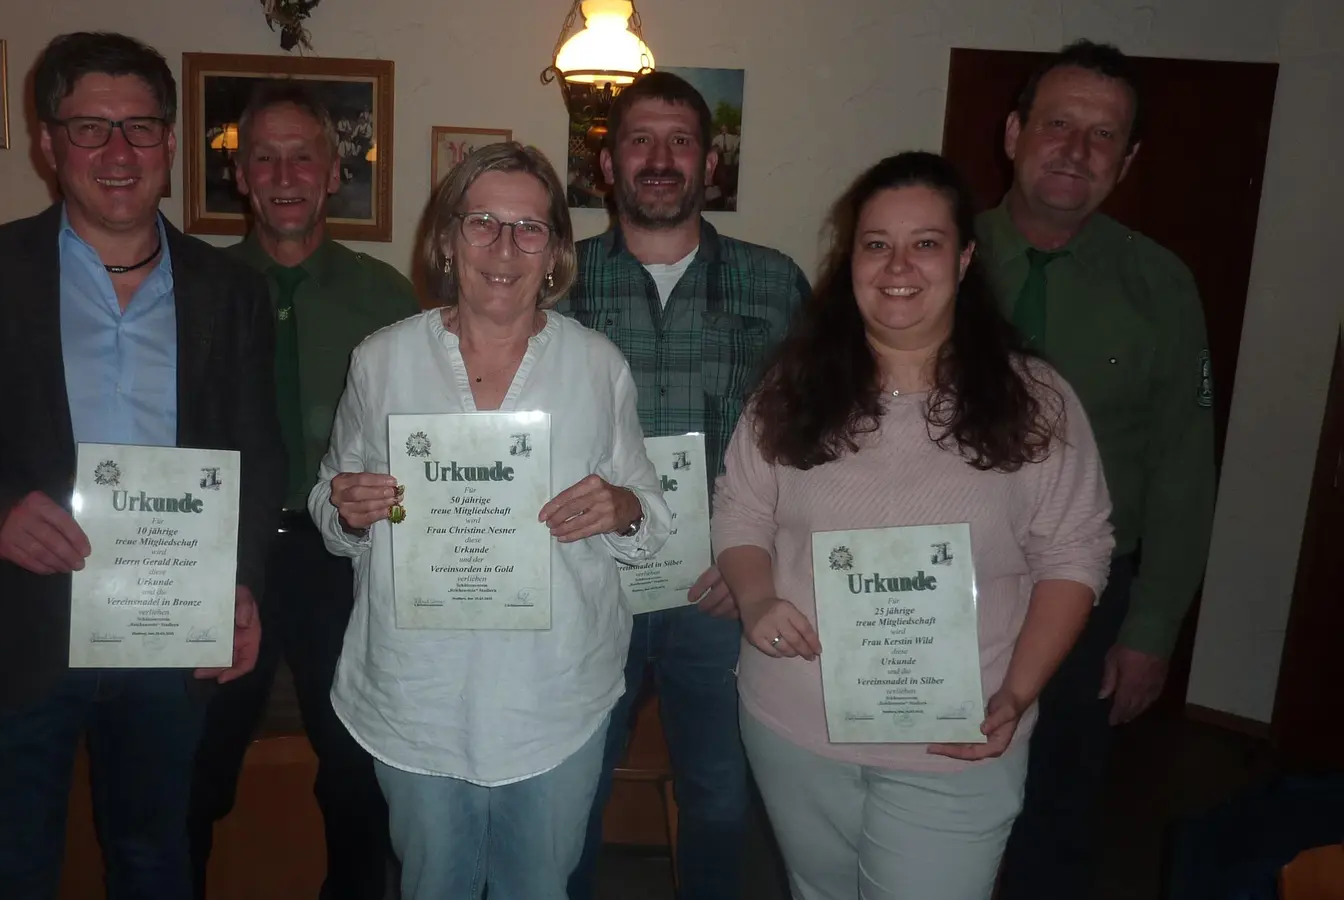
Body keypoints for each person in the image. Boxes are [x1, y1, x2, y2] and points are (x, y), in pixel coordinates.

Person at [0, 32, 282, 900]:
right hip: (15, 634)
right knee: (9, 870)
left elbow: (257, 455)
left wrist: (239, 584)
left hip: (168, 637)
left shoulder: (229, 291)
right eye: (90, 128)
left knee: (155, 862)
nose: (119, 152)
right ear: (47, 144)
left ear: (170, 143)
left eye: (140, 127)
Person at [711, 150, 1116, 900]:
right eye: (875, 243)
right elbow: (741, 507)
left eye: (925, 242)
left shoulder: (1038, 400)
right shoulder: (791, 386)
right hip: (795, 726)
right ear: (851, 259)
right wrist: (758, 596)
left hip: (956, 741)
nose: (898, 264)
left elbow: (1076, 549)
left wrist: (1018, 694)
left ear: (964, 258)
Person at [309, 141, 674, 900]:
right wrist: (347, 505)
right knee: (433, 885)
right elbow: (328, 504)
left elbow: (651, 511)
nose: (505, 248)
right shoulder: (381, 361)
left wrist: (623, 506)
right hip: (419, 693)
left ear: (555, 253)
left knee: (536, 888)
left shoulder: (596, 364)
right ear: (447, 238)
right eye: (483, 223)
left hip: (553, 693)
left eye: (529, 228)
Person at [560, 70, 808, 900]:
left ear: (710, 163)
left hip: (720, 596)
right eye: (640, 140)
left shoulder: (775, 284)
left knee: (720, 797)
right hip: (587, 586)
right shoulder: (553, 281)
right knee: (570, 793)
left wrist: (760, 565)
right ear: (607, 162)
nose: (660, 159)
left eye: (681, 142)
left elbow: (814, 439)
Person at [983, 41, 1217, 900]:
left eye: (1102, 135)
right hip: (946, 585)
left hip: (1087, 599)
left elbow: (1186, 467)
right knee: (933, 788)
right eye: (1057, 125)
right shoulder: (932, 257)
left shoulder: (1162, 287)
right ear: (1013, 133)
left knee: (1059, 809)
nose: (1075, 150)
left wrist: (1153, 625)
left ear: (1127, 161)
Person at [186, 77, 417, 900]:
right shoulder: (193, 288)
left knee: (355, 767)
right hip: (222, 553)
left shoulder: (387, 296)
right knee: (196, 762)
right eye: (264, 159)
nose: (284, 175)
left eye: (303, 157)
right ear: (241, 177)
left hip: (342, 558)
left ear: (332, 174)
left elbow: (419, 434)